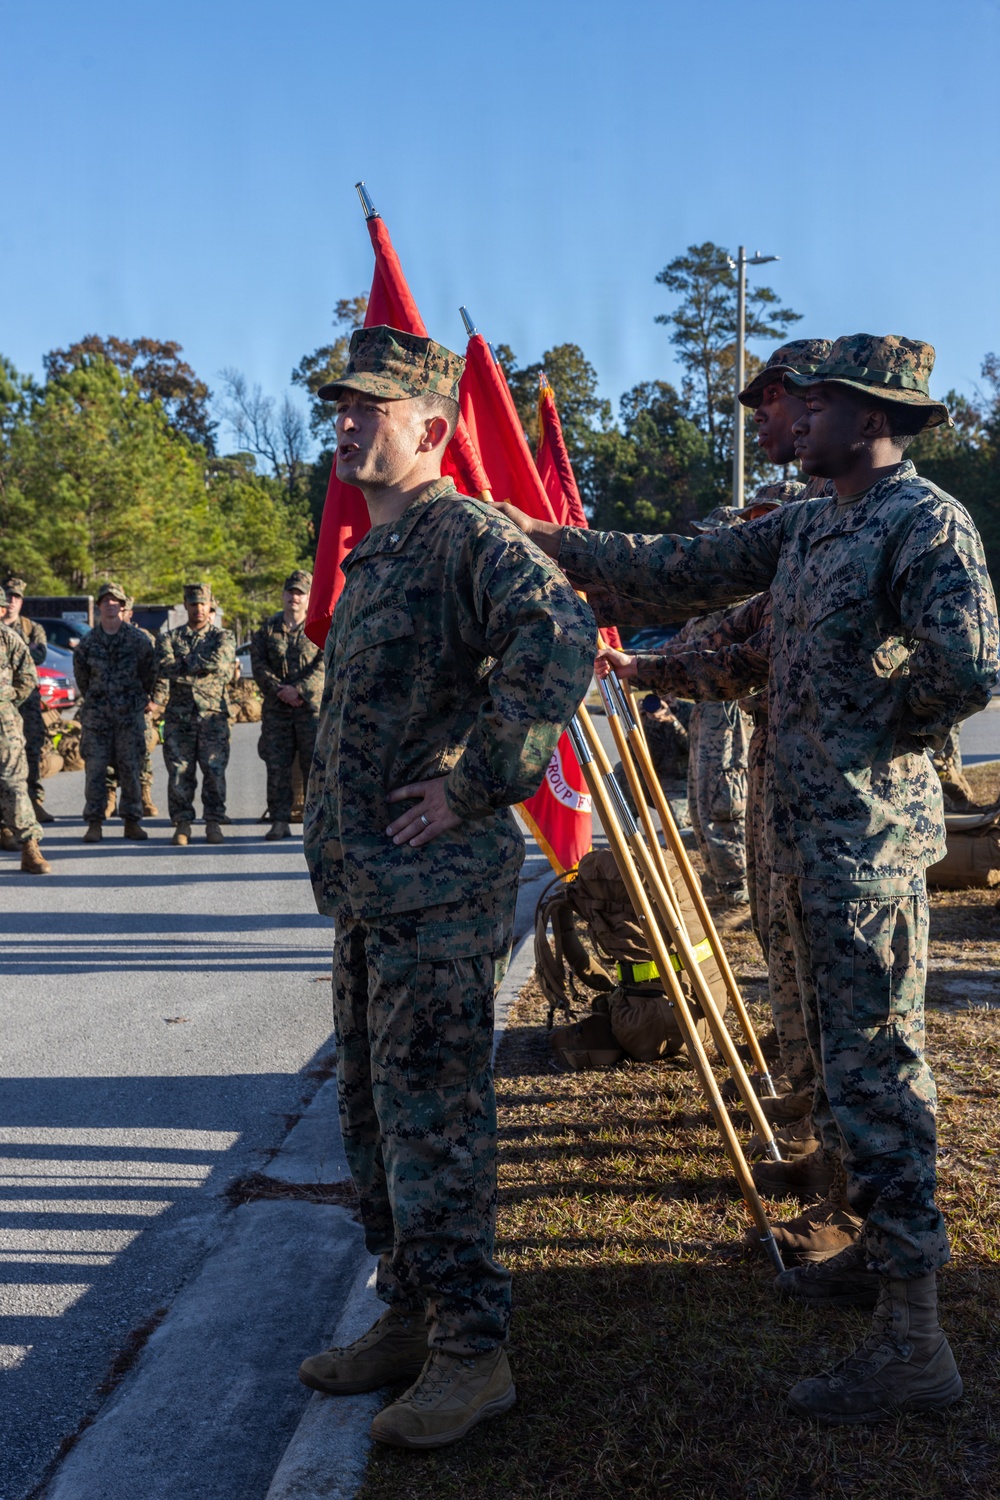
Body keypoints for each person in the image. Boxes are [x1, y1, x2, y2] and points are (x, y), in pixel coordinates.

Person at [501, 334, 998, 1423]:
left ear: (872, 415)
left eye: (809, 401)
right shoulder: (816, 526)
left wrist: (865, 733)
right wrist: (547, 543)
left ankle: (914, 1344)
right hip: (801, 843)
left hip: (862, 845)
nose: (790, 415)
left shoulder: (923, 521)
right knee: (826, 1055)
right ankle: (873, 1250)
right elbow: (682, 573)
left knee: (877, 1070)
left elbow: (967, 665)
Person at [297, 326, 594, 1449]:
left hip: (434, 894)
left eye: (370, 405)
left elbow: (557, 633)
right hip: (374, 896)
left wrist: (477, 781)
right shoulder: (374, 553)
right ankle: (411, 1315)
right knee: (375, 1123)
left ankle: (476, 1353)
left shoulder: (459, 530)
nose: (348, 420)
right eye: (341, 403)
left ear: (431, 425)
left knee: (436, 1129)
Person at [149, 585, 235, 846]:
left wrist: (184, 662)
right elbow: (164, 667)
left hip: (213, 714)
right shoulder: (169, 638)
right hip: (179, 716)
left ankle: (213, 822)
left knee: (214, 770)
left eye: (203, 604)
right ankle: (183, 823)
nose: (198, 609)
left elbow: (220, 664)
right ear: (185, 606)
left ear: (211, 606)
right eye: (193, 603)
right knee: (178, 772)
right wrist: (199, 663)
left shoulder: (224, 636)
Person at [73, 581, 156, 842]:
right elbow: (82, 679)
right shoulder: (88, 643)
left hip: (129, 718)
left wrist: (138, 700)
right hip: (97, 719)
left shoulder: (138, 640)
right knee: (95, 772)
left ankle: (131, 821)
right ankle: (95, 823)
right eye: (105, 600)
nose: (110, 604)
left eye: (115, 601)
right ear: (99, 606)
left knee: (131, 770)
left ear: (122, 606)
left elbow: (149, 674)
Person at [250, 569, 324, 841]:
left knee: (314, 768)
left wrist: (299, 690)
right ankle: (279, 820)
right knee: (277, 767)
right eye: (291, 591)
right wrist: (281, 691)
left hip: (309, 711)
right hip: (277, 712)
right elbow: (258, 665)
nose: (295, 596)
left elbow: (325, 664)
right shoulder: (267, 629)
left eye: (300, 592)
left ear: (308, 598)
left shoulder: (318, 626)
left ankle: (316, 823)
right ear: (282, 595)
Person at [0, 585, 50, 873]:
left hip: (4, 723)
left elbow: (28, 678)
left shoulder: (9, 638)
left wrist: (7, 703)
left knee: (14, 783)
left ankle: (30, 847)